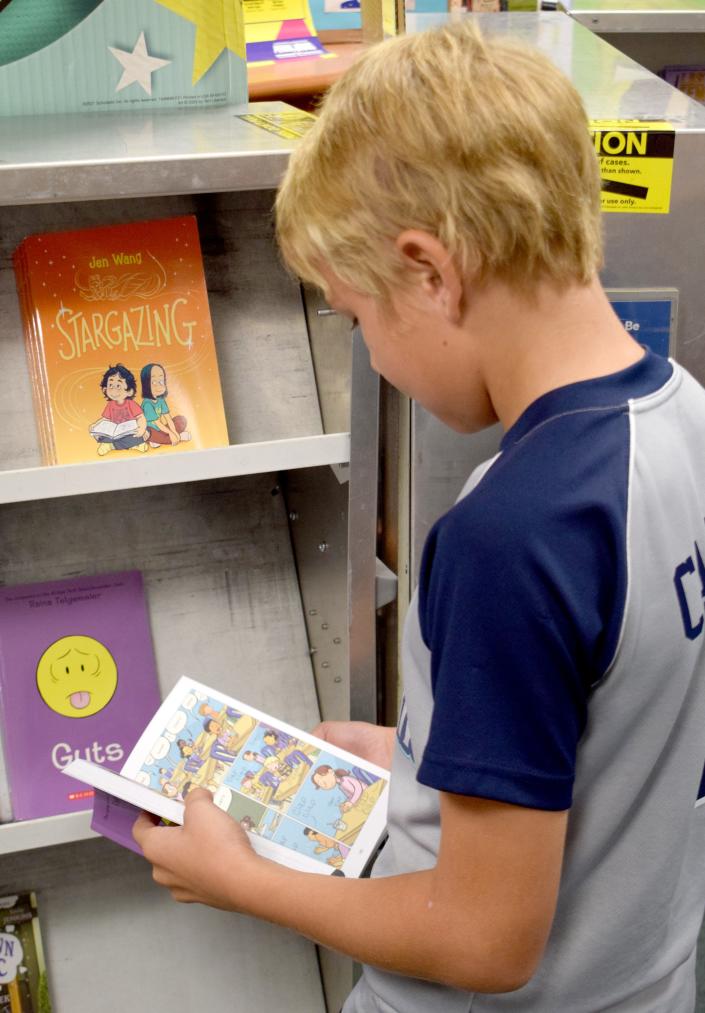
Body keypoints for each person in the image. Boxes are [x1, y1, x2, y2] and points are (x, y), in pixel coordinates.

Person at [133, 21, 705, 1012]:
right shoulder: (683, 414)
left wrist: (247, 881)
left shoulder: (510, 533)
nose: (375, 355)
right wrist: (418, 751)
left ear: (432, 269)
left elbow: (484, 941)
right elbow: (617, 705)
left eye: (358, 318)